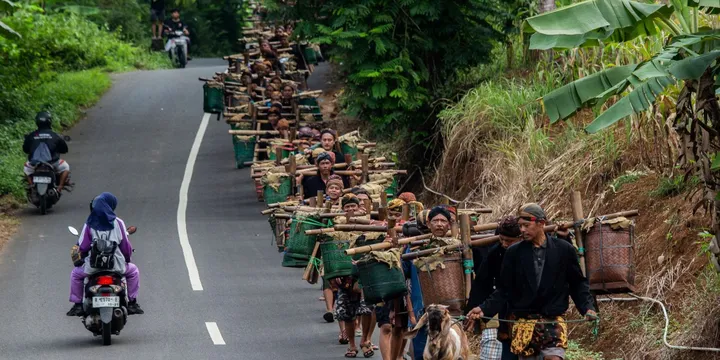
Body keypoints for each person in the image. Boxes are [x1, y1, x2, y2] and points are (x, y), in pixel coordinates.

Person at [467, 203, 597, 360]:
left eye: (526, 225)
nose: (522, 230)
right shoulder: (514, 253)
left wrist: (587, 307)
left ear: (541, 223)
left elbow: (577, 283)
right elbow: (504, 290)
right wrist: (483, 309)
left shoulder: (563, 250)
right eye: (520, 226)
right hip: (524, 324)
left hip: (553, 321)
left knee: (554, 358)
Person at [67, 193, 144, 316]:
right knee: (133, 271)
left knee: (76, 274)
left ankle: (77, 305)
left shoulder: (89, 223)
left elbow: (83, 247)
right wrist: (127, 259)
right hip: (117, 266)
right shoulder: (118, 223)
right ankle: (132, 303)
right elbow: (125, 246)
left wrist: (81, 259)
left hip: (93, 267)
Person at [467, 216, 523, 360]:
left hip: (529, 310)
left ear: (521, 238)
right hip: (503, 306)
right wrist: (474, 307)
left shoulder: (530, 252)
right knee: (506, 347)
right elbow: (481, 282)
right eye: (501, 240)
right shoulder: (495, 253)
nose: (504, 244)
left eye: (509, 241)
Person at [23, 111, 70, 193]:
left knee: (26, 169)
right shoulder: (56, 135)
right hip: (52, 163)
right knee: (65, 167)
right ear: (50, 121)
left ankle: (32, 188)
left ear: (37, 122)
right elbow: (64, 149)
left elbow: (25, 149)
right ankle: (59, 188)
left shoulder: (31, 135)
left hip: (35, 164)